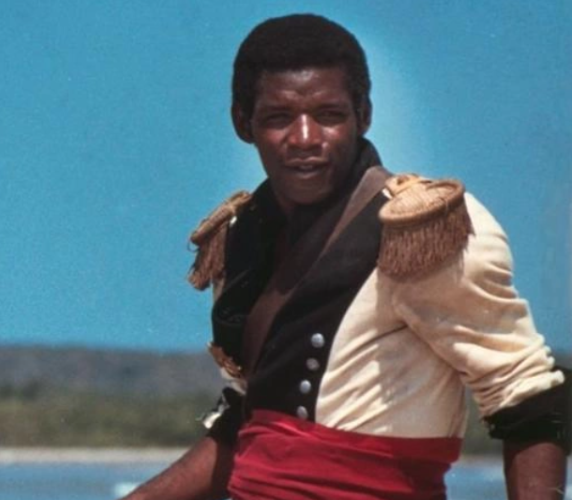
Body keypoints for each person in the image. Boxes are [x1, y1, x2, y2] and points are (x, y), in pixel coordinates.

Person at [122, 14, 568, 500]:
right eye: (279, 118)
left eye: (329, 115)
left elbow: (528, 398)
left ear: (363, 114)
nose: (306, 138)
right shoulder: (240, 238)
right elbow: (247, 428)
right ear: (241, 122)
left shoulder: (426, 230)